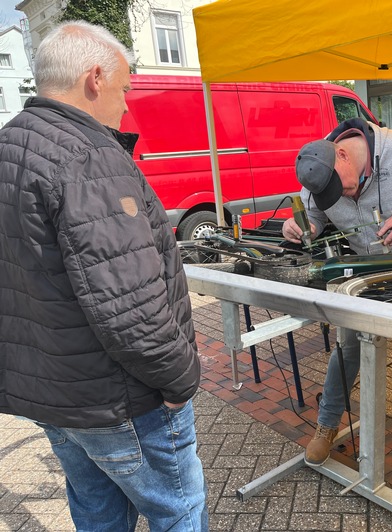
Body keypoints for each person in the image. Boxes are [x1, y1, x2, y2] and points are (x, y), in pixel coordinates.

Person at [0, 21, 207, 531]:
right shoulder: (88, 156)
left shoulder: (9, 146)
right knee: (177, 512)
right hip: (119, 399)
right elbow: (132, 308)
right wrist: (181, 379)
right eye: (124, 89)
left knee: (96, 513)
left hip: (53, 395)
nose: (126, 105)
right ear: (95, 78)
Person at [282, 117, 392, 466]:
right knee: (346, 348)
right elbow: (315, 216)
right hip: (363, 271)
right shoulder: (319, 169)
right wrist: (305, 226)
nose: (344, 197)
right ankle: (327, 425)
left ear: (343, 155)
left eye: (343, 189)